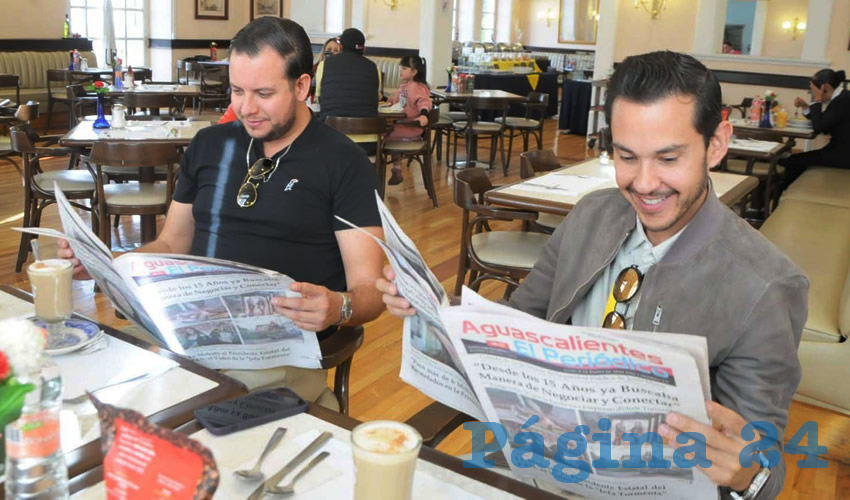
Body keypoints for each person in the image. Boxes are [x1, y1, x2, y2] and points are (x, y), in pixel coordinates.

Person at [378, 51, 808, 498]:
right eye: (626, 156)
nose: (643, 184)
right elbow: (517, 320)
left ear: (716, 143)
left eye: (668, 159)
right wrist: (435, 311)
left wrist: (746, 474)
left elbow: (765, 473)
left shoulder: (766, 286)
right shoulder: (592, 216)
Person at [60, 17, 386, 411]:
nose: (246, 108)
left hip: (276, 352)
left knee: (174, 408)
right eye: (237, 91)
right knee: (87, 382)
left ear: (302, 86)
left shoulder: (344, 163)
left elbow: (370, 291)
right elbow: (171, 244)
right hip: (187, 331)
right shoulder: (210, 145)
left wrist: (337, 306)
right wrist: (104, 264)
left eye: (264, 93)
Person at [314, 27, 382, 154]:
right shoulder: (374, 68)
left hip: (332, 141)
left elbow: (319, 99)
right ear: (363, 48)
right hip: (368, 144)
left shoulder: (324, 66)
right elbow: (375, 99)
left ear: (341, 47)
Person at [781, 68, 849, 189]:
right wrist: (805, 107)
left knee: (792, 161)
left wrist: (817, 100)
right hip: (840, 152)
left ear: (825, 87)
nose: (813, 93)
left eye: (814, 91)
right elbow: (825, 124)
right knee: (793, 160)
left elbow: (819, 128)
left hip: (843, 156)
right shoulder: (842, 98)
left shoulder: (842, 101)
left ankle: (782, 194)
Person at [384, 56, 433, 185]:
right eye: (401, 68)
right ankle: (396, 168)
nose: (400, 71)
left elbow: (425, 102)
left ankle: (390, 169)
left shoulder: (417, 87)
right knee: (388, 132)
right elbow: (396, 104)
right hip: (403, 128)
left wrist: (423, 114)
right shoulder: (405, 88)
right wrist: (383, 98)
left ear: (414, 72)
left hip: (409, 128)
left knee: (382, 137)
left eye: (404, 68)